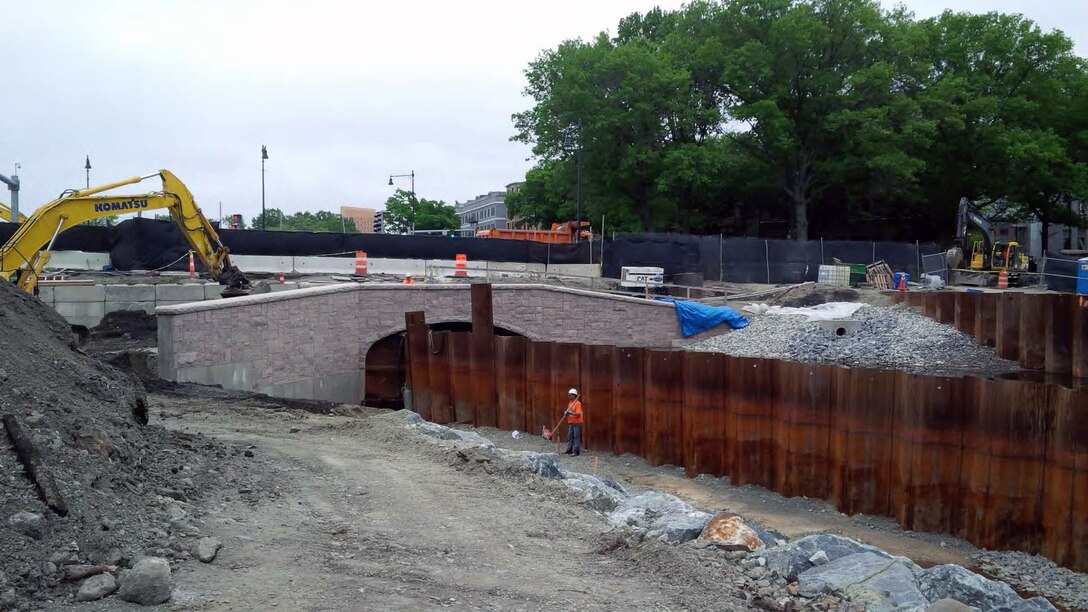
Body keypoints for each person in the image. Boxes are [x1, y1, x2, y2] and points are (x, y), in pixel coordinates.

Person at [563, 388, 583, 456]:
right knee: (570, 437)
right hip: (571, 422)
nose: (568, 396)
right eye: (568, 395)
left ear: (574, 395)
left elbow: (578, 414)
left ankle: (576, 452)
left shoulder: (577, 404)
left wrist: (570, 413)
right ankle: (569, 450)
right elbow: (569, 411)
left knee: (576, 437)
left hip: (577, 422)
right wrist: (566, 413)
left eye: (570, 395)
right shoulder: (570, 403)